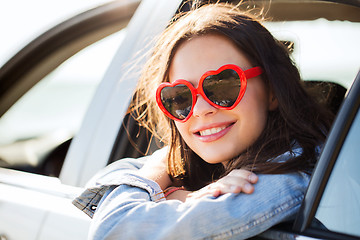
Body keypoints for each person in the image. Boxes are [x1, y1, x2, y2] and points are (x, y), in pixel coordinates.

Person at [73, 3, 333, 239]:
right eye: (180, 96)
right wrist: (175, 189)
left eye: (222, 85)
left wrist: (162, 188)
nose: (199, 109)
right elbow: (113, 174)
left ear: (272, 91)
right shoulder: (223, 164)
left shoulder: (288, 174)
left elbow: (113, 230)